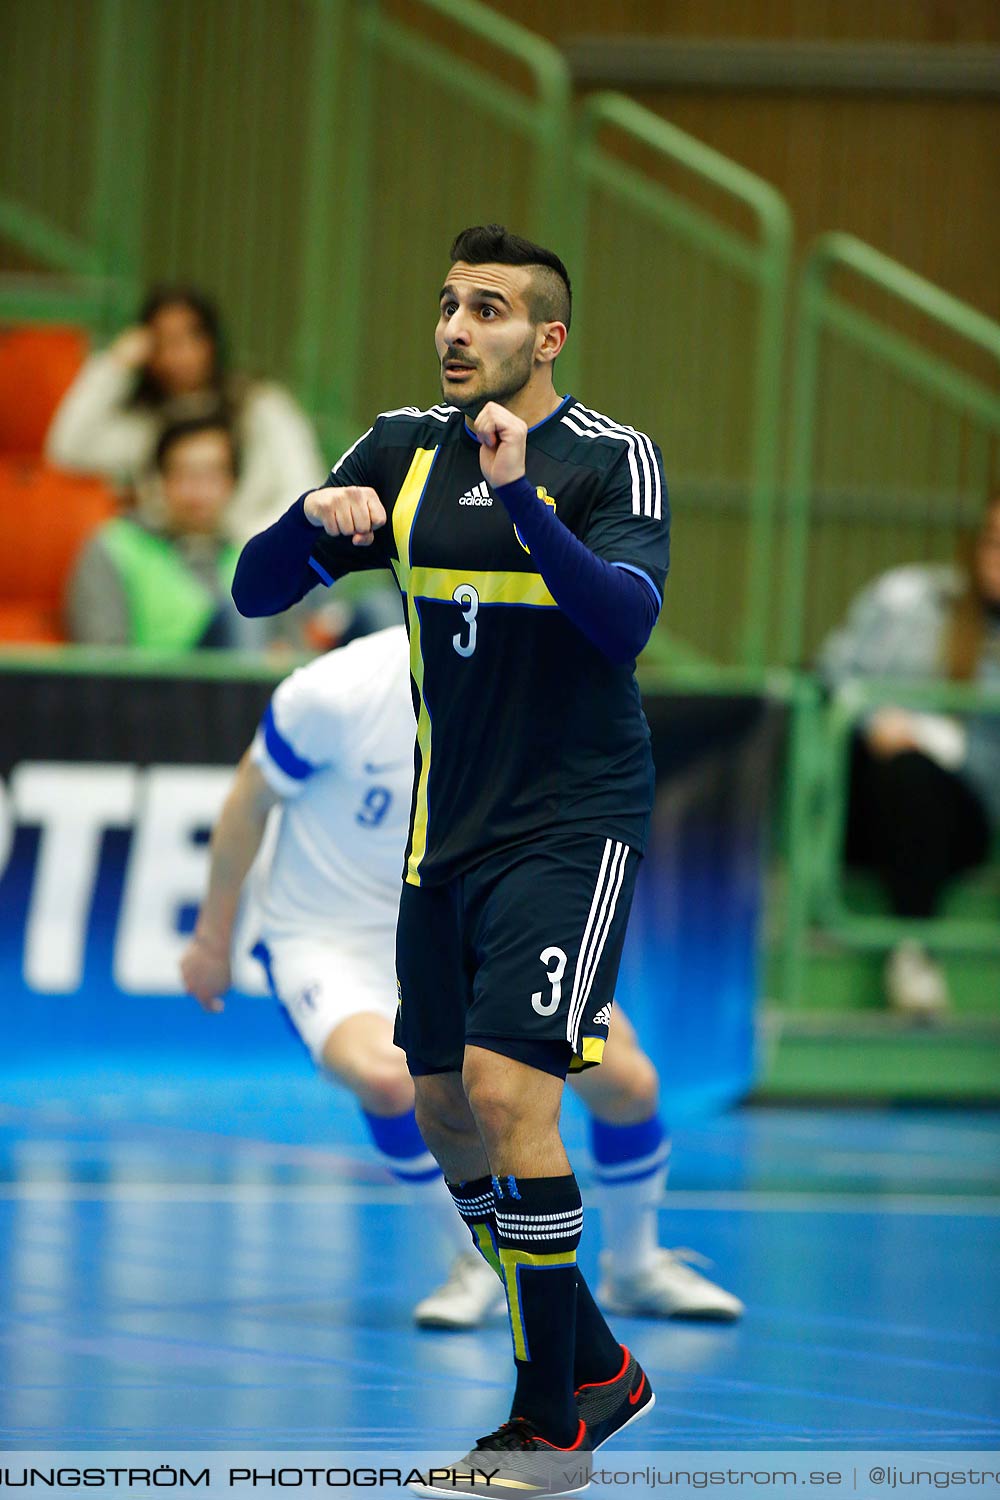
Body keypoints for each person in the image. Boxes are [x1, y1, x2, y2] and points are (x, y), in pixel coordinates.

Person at [231, 224, 670, 1494]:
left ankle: (549, 1429)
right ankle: (596, 1362)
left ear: (548, 337)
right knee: (439, 1110)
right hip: (448, 833)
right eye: (445, 306)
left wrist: (524, 497)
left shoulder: (607, 458)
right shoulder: (400, 447)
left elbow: (625, 624)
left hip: (572, 823)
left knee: (509, 1095)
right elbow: (263, 590)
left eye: (486, 308)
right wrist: (312, 519)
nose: (454, 329)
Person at [180, 625, 743, 1333]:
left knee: (628, 1081)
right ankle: (477, 1260)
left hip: (470, 922)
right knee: (390, 1078)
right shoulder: (333, 692)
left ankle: (634, 1266)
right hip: (331, 939)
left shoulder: (543, 684)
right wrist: (212, 936)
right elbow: (248, 802)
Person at [818, 493, 1000, 1014]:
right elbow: (831, 674)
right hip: (871, 802)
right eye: (992, 541)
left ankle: (913, 951)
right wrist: (876, 723)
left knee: (915, 777)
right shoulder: (908, 598)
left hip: (962, 818)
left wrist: (938, 743)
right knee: (895, 772)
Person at [45, 284, 324, 544]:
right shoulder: (149, 426)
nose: (178, 354)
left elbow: (306, 487)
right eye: (163, 341)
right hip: (175, 570)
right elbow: (66, 449)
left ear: (211, 342)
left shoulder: (260, 405)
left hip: (258, 559)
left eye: (191, 337)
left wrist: (244, 548)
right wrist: (116, 364)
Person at [65, 414, 272, 650]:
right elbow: (100, 658)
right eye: (185, 474)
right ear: (161, 480)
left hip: (241, 682)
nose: (199, 491)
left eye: (212, 475)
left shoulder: (255, 557)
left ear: (233, 483)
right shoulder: (115, 548)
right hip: (148, 685)